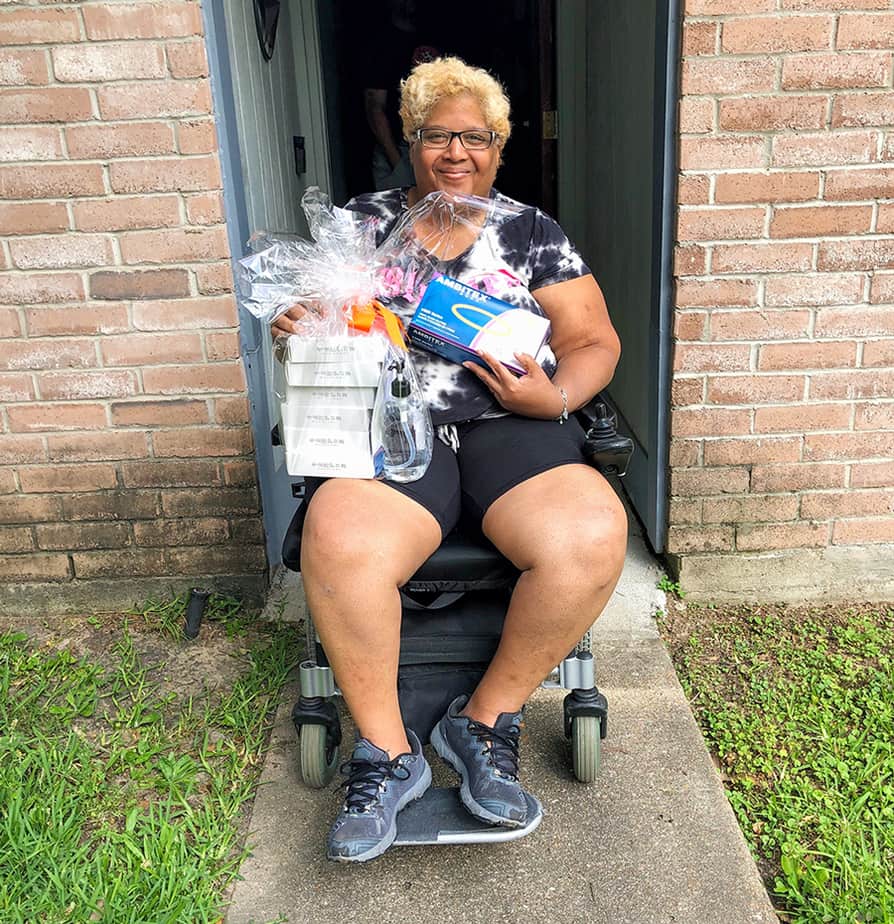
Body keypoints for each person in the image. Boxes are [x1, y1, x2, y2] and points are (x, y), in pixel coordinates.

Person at [272, 56, 626, 863]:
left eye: (476, 137)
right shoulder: (363, 226)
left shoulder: (530, 232)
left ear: (499, 146)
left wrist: (555, 398)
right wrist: (297, 322)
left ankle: (484, 722)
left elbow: (593, 340)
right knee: (339, 536)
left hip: (512, 423)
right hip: (392, 422)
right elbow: (316, 321)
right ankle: (387, 753)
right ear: (410, 140)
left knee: (589, 533)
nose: (456, 152)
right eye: (437, 135)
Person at [363, 0, 438, 190]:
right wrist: (397, 162)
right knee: (400, 209)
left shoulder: (436, 34)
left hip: (437, 146)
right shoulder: (381, 43)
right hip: (399, 150)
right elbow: (374, 107)